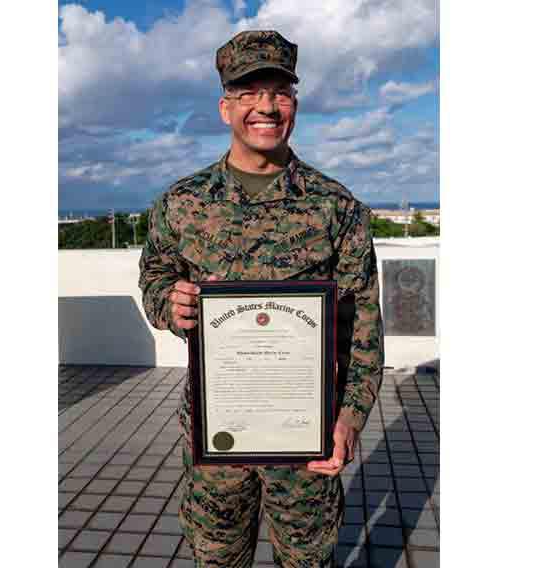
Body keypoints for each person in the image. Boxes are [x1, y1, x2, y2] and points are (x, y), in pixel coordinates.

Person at [138, 30, 384, 568]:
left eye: (280, 91)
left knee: (306, 562)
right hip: (215, 439)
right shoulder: (182, 204)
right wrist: (168, 305)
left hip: (306, 438)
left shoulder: (336, 208)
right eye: (250, 92)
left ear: (294, 104)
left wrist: (349, 419)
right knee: (218, 560)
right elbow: (155, 274)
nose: (267, 106)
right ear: (226, 107)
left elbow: (361, 326)